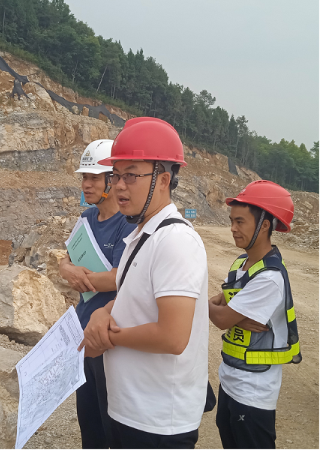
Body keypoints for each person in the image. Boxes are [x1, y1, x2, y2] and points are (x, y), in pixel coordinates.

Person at [79, 117, 209, 449]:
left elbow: (172, 336)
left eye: (131, 175)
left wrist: (106, 338)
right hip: (130, 410)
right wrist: (103, 312)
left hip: (158, 421)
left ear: (163, 179)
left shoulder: (176, 241)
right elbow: (132, 297)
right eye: (116, 175)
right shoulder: (142, 236)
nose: (119, 186)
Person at [208, 180, 301, 449]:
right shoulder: (242, 264)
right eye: (231, 221)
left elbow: (221, 318)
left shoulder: (269, 277)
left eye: (240, 221)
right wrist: (224, 309)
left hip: (253, 392)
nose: (232, 228)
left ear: (264, 225)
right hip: (231, 380)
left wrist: (204, 305)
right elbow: (220, 304)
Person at [59, 139, 135, 449]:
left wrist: (80, 276)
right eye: (84, 178)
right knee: (88, 420)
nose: (86, 185)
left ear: (111, 180)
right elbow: (65, 260)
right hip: (83, 332)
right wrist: (66, 269)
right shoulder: (86, 219)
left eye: (93, 178)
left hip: (108, 338)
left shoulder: (127, 225)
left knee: (110, 423)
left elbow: (121, 276)